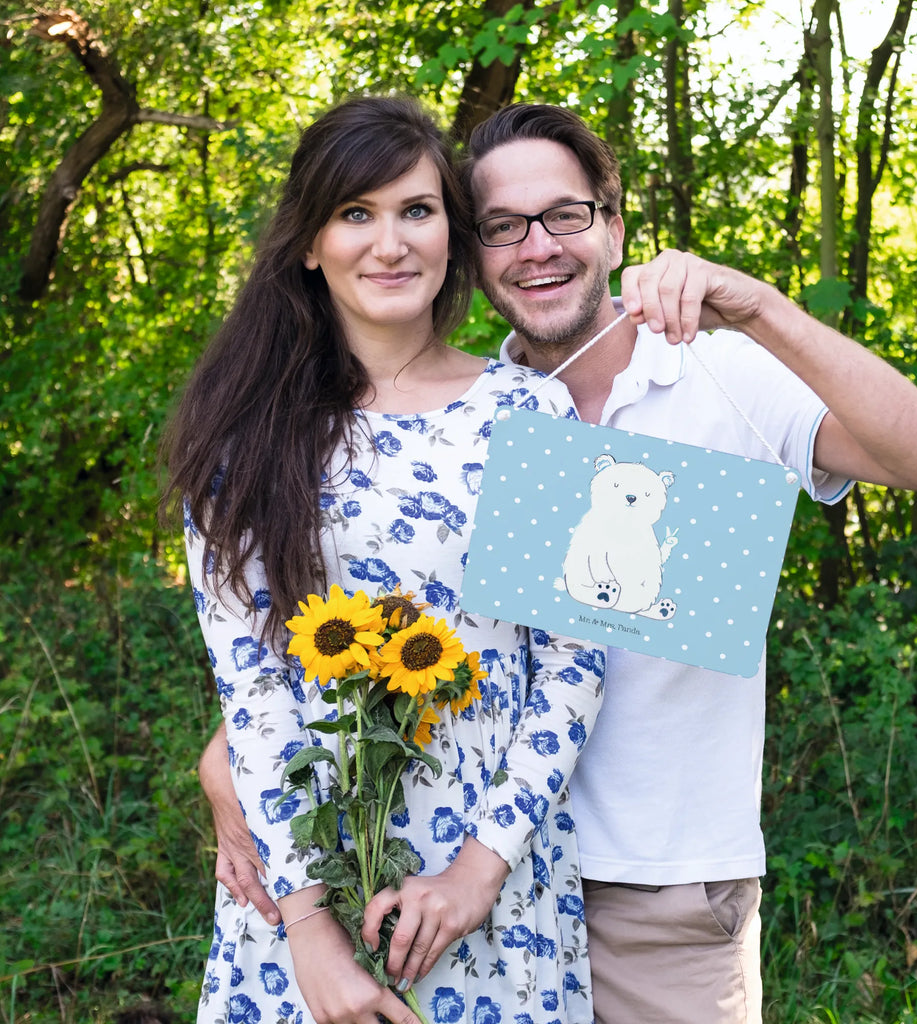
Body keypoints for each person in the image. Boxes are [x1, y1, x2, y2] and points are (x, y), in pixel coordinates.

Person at [201, 102, 917, 1024]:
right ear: (474, 250)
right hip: (425, 876)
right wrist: (233, 769)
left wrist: (759, 306)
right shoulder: (457, 415)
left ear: (612, 225)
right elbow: (341, 633)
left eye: (564, 215)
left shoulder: (706, 375)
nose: (537, 247)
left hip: (651, 887)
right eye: (502, 227)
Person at [163, 96, 608, 1024]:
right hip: (302, 885)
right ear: (309, 244)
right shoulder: (245, 439)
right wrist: (311, 936)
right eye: (355, 214)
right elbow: (253, 691)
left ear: (452, 230)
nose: (390, 243)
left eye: (417, 210)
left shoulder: (530, 416)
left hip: (491, 887)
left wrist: (478, 873)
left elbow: (571, 663)